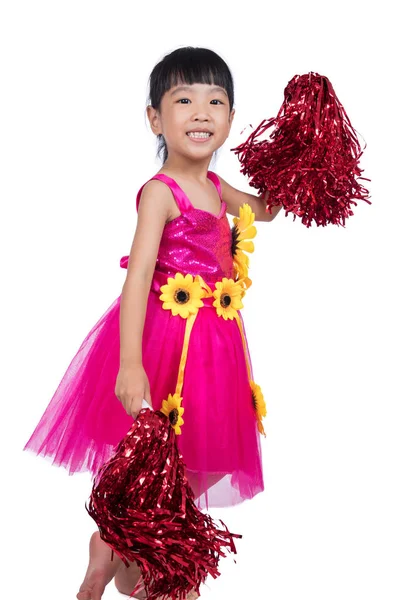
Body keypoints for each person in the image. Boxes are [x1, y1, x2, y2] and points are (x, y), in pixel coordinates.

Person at [23, 46, 282, 600]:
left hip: (214, 345)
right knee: (157, 454)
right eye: (183, 100)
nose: (201, 112)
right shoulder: (161, 193)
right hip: (164, 339)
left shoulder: (217, 188)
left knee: (199, 460)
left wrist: (295, 159)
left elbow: (264, 211)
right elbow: (137, 277)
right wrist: (131, 363)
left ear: (231, 119)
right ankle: (146, 559)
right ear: (154, 118)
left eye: (216, 101)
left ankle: (121, 547)